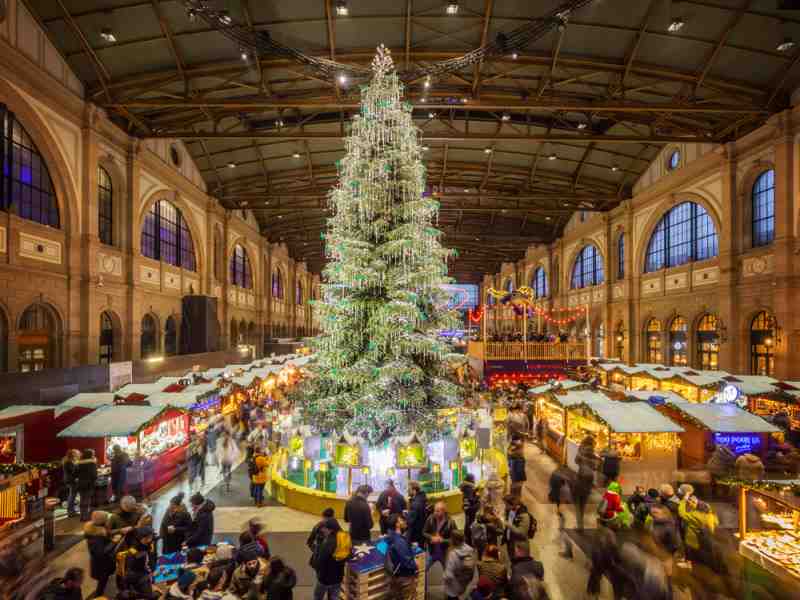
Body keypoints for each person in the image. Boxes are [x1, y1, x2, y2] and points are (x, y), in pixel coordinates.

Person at [83, 511, 117, 599]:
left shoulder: (96, 530)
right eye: (106, 519)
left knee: (103, 582)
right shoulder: (96, 538)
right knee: (102, 583)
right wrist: (113, 542)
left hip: (101, 564)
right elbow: (101, 552)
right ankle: (98, 597)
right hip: (101, 566)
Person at [311, 518, 346, 600]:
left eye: (325, 528)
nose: (323, 530)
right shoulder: (344, 538)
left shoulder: (326, 544)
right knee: (335, 596)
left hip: (324, 578)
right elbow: (348, 555)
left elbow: (319, 562)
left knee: (318, 596)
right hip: (338, 576)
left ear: (330, 530)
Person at [678, 495, 719, 567]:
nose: (691, 503)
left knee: (690, 550)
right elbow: (716, 523)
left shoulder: (696, 515)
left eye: (694, 502)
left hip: (694, 537)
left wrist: (683, 501)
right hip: (707, 536)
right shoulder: (711, 515)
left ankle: (688, 564)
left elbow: (682, 514)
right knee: (706, 551)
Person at [386, 514, 418, 600]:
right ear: (397, 524)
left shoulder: (391, 537)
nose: (404, 521)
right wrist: (415, 564)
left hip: (395, 576)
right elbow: (407, 561)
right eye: (401, 520)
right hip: (405, 578)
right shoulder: (399, 541)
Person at [120, 526, 157, 599]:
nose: (150, 539)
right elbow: (131, 569)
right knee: (149, 596)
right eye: (148, 538)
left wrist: (152, 570)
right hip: (137, 575)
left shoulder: (149, 544)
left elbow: (152, 559)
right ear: (141, 538)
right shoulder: (133, 550)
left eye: (151, 537)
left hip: (146, 573)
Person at [572, 435, 597, 531]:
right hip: (589, 479)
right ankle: (580, 525)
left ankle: (580, 525)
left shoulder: (581, 450)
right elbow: (595, 467)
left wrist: (581, 457)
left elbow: (576, 461)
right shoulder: (593, 453)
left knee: (577, 502)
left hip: (581, 477)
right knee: (583, 502)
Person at [422, 501, 456, 572]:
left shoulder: (451, 522)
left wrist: (442, 540)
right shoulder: (430, 518)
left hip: (444, 552)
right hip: (432, 551)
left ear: (443, 511)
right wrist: (431, 537)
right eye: (434, 510)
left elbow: (455, 539)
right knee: (424, 569)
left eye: (437, 511)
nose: (435, 513)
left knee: (447, 571)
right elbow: (424, 532)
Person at [444, 529, 475, 600]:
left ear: (453, 540)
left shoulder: (453, 554)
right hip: (465, 583)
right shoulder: (469, 549)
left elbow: (448, 575)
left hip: (453, 587)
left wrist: (444, 578)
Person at [75, 449, 98, 522]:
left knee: (82, 499)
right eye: (93, 454)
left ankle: (82, 516)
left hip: (81, 483)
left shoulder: (79, 463)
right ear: (90, 455)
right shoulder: (92, 463)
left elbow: (75, 474)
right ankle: (85, 516)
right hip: (89, 484)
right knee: (87, 500)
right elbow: (94, 475)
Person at [460, 473, 480, 546]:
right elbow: (471, 499)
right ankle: (469, 541)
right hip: (470, 509)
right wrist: (477, 496)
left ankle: (467, 539)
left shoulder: (467, 487)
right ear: (471, 479)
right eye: (473, 479)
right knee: (470, 524)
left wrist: (474, 491)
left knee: (468, 523)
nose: (474, 480)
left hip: (468, 509)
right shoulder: (469, 488)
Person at [406, 481, 428, 546]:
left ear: (414, 490)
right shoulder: (422, 498)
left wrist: (406, 515)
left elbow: (410, 521)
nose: (408, 491)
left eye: (409, 489)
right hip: (421, 531)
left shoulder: (416, 503)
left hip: (415, 534)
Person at [62, 450, 79, 518]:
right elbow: (73, 471)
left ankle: (72, 511)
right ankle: (70, 512)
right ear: (72, 455)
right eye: (76, 453)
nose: (77, 454)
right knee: (72, 496)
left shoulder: (68, 461)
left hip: (70, 480)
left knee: (72, 496)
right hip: (71, 480)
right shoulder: (68, 462)